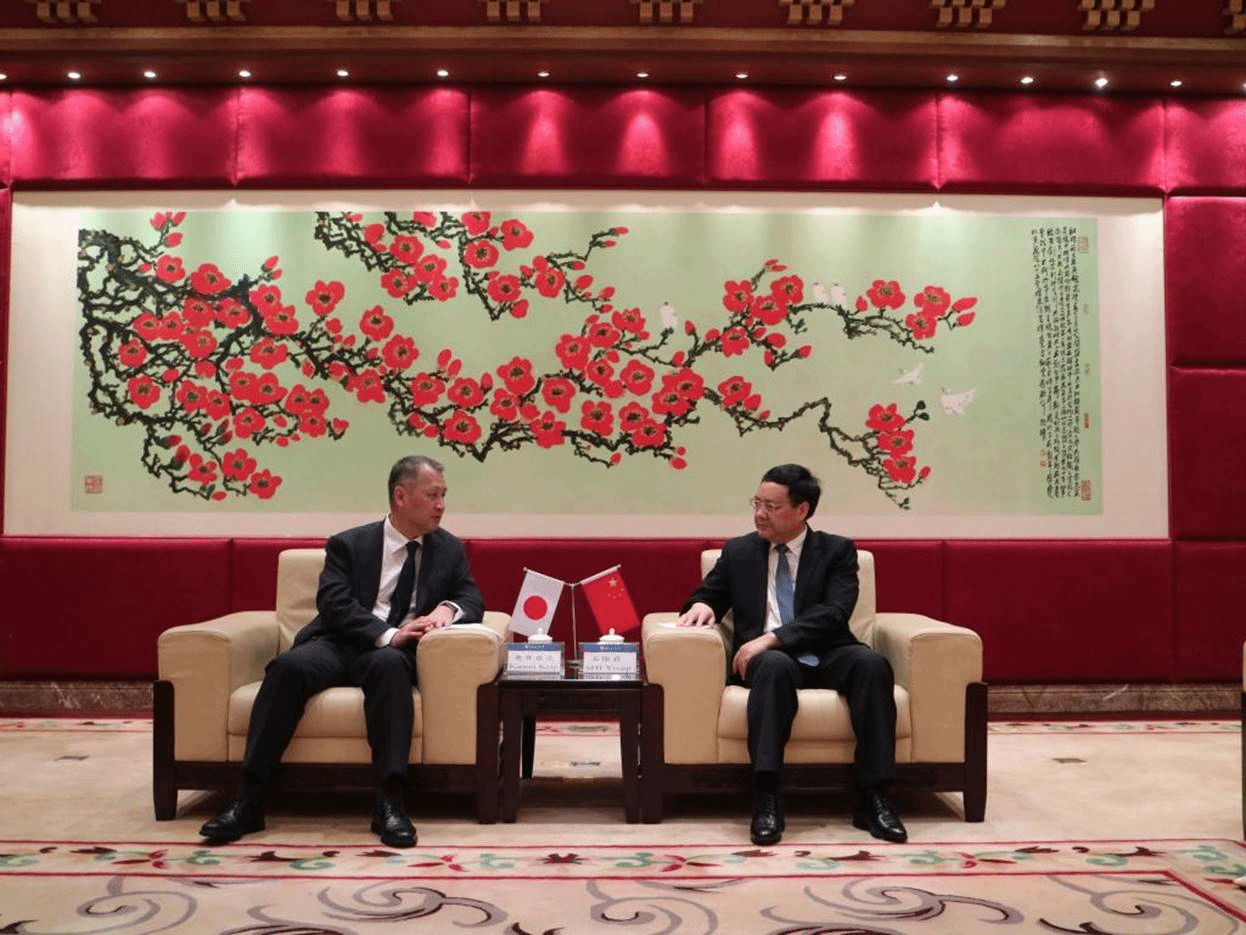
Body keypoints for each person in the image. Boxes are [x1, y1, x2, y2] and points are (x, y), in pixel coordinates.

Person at [199, 454, 484, 848]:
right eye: (433, 495)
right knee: (287, 667)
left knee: (390, 667)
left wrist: (446, 609)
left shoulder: (447, 548)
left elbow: (471, 597)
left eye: (444, 495)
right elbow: (334, 604)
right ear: (401, 496)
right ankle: (249, 800)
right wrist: (388, 633)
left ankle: (390, 804)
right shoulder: (350, 544)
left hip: (391, 655)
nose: (441, 505)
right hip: (338, 641)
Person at [677, 463, 907, 845]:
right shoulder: (739, 551)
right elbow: (708, 594)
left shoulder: (836, 551)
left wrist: (772, 637)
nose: (759, 514)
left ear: (802, 510)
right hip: (771, 662)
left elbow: (834, 613)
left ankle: (874, 797)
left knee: (872, 665)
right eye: (756, 503)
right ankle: (767, 797)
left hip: (827, 650)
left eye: (771, 506)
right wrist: (702, 604)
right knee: (772, 665)